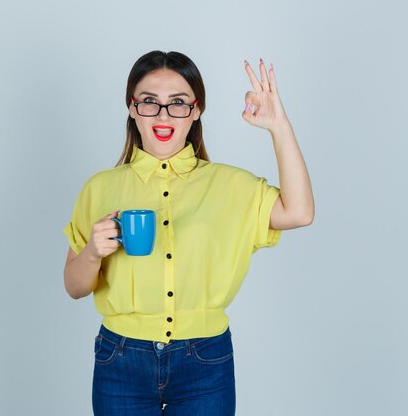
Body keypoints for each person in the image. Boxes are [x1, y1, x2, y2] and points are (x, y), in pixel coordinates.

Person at [62, 50, 314, 416]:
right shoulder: (99, 188)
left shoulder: (231, 184)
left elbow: (300, 212)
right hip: (121, 359)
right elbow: (74, 287)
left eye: (178, 103)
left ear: (196, 110)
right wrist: (92, 254)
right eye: (150, 102)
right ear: (132, 108)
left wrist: (280, 128)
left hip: (205, 359)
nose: (163, 115)